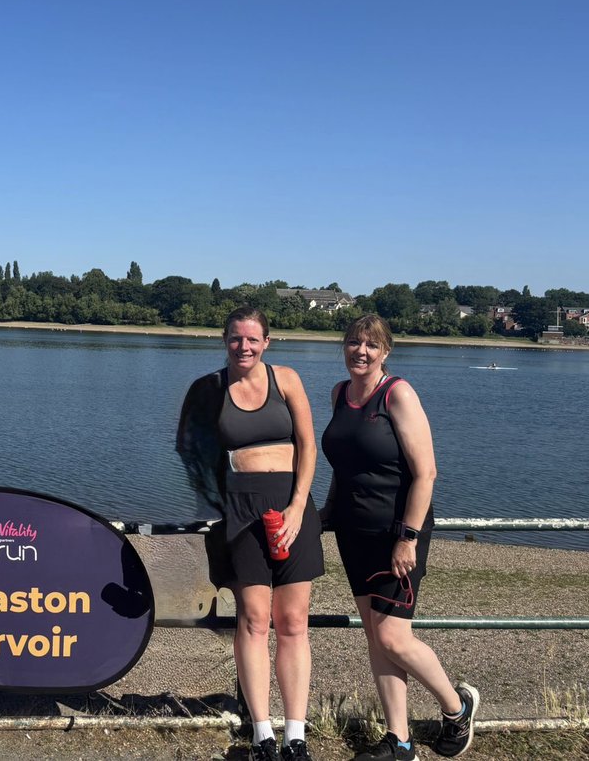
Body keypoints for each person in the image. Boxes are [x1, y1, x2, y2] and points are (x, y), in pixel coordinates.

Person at [320, 314, 479, 761]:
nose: (361, 351)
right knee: (376, 635)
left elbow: (426, 473)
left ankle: (457, 707)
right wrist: (327, 512)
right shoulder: (339, 394)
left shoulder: (398, 394)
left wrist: (407, 537)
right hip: (353, 532)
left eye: (371, 345)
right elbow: (343, 466)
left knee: (393, 636)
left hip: (396, 535)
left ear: (386, 352)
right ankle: (400, 739)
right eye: (353, 343)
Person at [177, 307, 324, 761]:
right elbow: (189, 450)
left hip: (291, 505)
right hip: (239, 510)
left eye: (252, 339)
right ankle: (262, 734)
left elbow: (308, 445)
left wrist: (298, 507)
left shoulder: (287, 380)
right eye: (236, 339)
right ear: (225, 340)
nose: (244, 347)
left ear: (267, 342)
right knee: (255, 620)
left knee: (294, 622)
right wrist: (214, 508)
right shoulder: (209, 390)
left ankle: (295, 736)